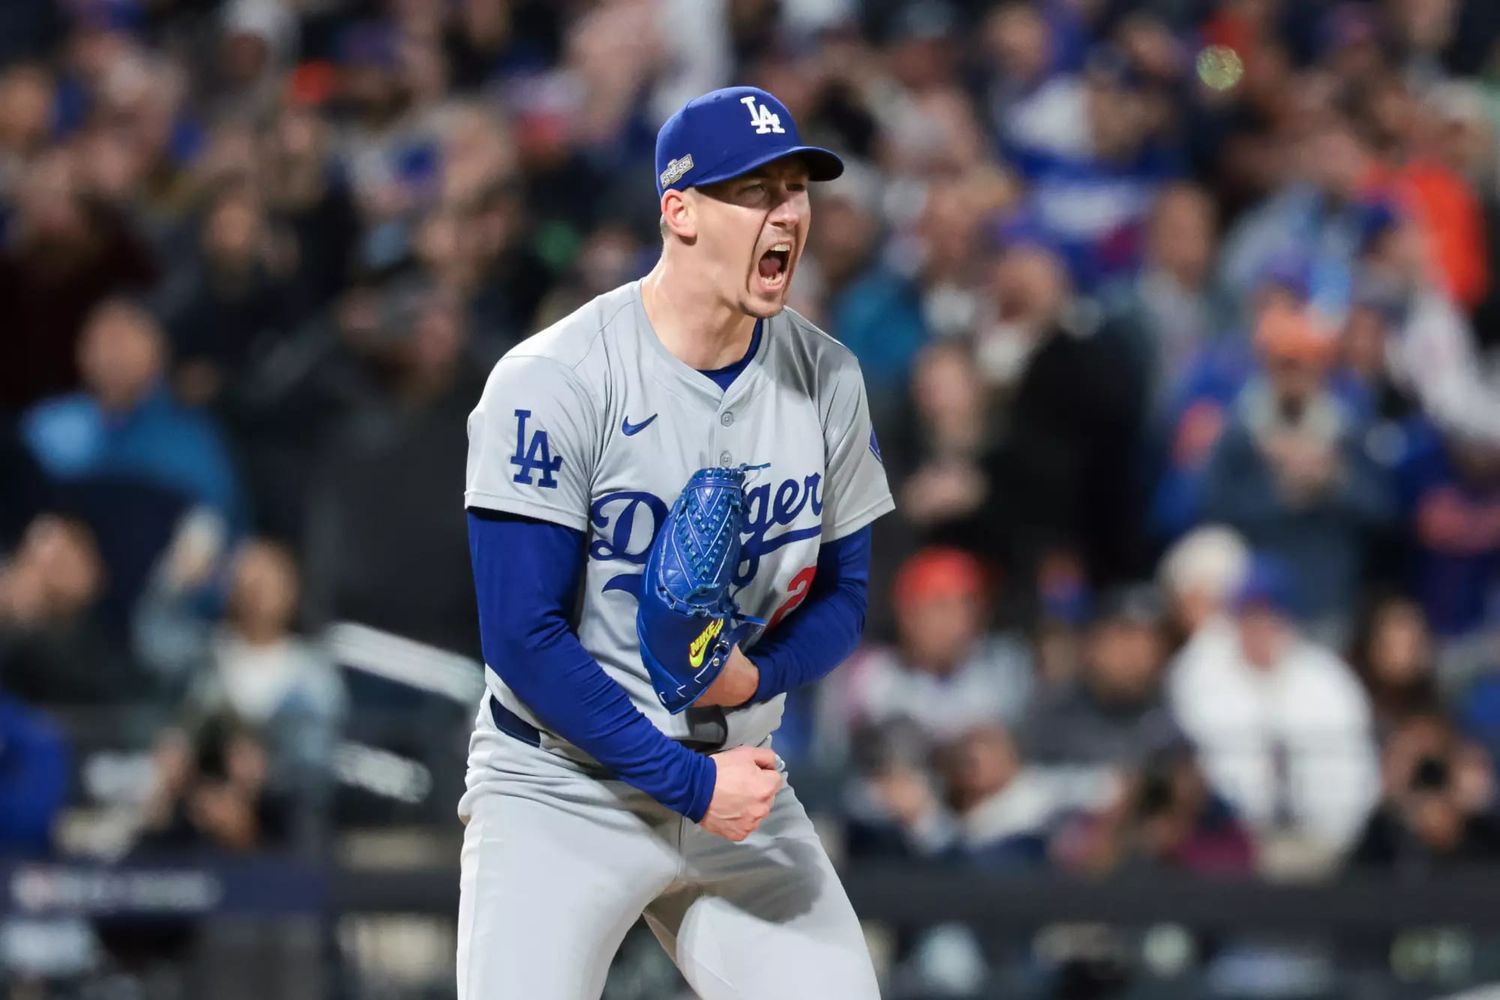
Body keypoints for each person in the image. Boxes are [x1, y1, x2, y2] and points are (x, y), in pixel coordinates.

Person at [457, 87, 892, 999]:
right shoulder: (555, 380)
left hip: (741, 777)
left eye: (796, 190)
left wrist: (758, 678)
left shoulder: (829, 380)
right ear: (679, 211)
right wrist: (689, 788)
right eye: (755, 192)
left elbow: (847, 595)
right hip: (563, 788)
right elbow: (522, 640)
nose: (785, 214)